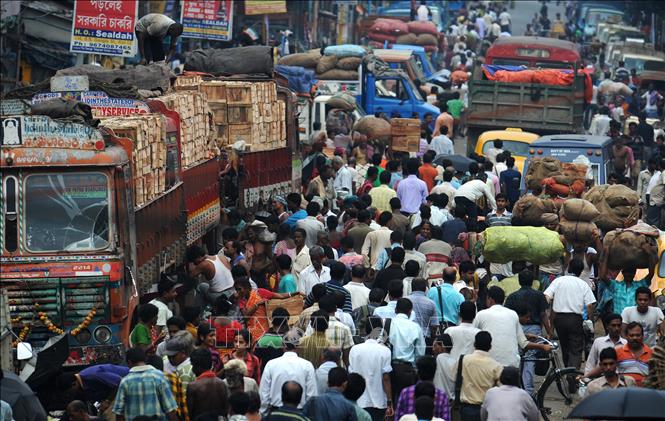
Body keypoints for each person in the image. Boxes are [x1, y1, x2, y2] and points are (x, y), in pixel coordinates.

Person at [474, 286, 551, 368]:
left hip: (488, 364)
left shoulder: (481, 314)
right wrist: (542, 346)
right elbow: (523, 343)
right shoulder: (513, 314)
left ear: (490, 299)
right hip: (511, 365)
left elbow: (473, 336)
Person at [544, 259, 597, 370]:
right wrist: (590, 322)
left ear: (568, 268)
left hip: (559, 320)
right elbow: (590, 305)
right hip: (575, 319)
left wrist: (548, 321)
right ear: (581, 271)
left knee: (565, 347)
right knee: (576, 350)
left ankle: (567, 371)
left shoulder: (558, 281)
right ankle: (572, 375)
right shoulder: (583, 284)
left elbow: (547, 296)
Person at [259, 330, 318, 413]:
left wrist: (263, 413)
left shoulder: (271, 364)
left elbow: (263, 394)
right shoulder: (307, 366)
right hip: (299, 413)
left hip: (275, 413)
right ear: (298, 346)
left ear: (283, 345)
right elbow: (312, 396)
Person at [112, 347, 178, 421]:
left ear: (129, 362)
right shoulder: (159, 377)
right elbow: (170, 410)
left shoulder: (125, 381)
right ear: (145, 360)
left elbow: (119, 413)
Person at [349, 316, 394, 421]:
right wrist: (390, 401)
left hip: (359, 400)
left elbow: (352, 375)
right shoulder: (385, 351)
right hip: (379, 401)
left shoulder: (354, 350)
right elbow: (386, 378)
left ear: (365, 330)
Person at [454, 332, 503, 421]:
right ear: (490, 346)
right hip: (487, 410)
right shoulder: (496, 366)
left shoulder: (463, 360)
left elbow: (454, 377)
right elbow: (502, 389)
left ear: (474, 344)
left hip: (466, 409)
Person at [235, 277, 294, 343]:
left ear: (247, 287)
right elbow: (246, 316)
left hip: (265, 330)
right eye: (236, 290)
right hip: (252, 332)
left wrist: (294, 293)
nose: (238, 292)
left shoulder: (260, 292)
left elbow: (280, 296)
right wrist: (257, 304)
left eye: (239, 289)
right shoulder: (241, 301)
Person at [389, 298, 426, 402]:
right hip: (407, 370)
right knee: (407, 402)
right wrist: (415, 368)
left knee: (390, 401)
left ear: (395, 310)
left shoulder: (388, 323)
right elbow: (420, 352)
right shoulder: (415, 327)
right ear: (410, 311)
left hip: (389, 368)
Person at [395, 356, 450, 421]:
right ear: (434, 372)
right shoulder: (442, 396)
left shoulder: (406, 393)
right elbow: (446, 418)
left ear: (418, 372)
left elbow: (398, 417)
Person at [187, 348, 229, 419]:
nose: (192, 369)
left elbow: (190, 413)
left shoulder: (193, 386)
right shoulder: (221, 384)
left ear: (197, 366)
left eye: (193, 365)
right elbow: (225, 410)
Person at [615, 322, 653, 386]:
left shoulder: (651, 353)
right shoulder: (617, 352)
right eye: (631, 335)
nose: (634, 338)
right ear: (626, 336)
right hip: (623, 391)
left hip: (645, 391)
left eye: (638, 335)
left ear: (643, 336)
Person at [408, 278, 439, 342]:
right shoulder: (431, 303)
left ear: (412, 288)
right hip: (425, 338)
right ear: (425, 288)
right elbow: (434, 325)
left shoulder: (405, 300)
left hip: (408, 337)